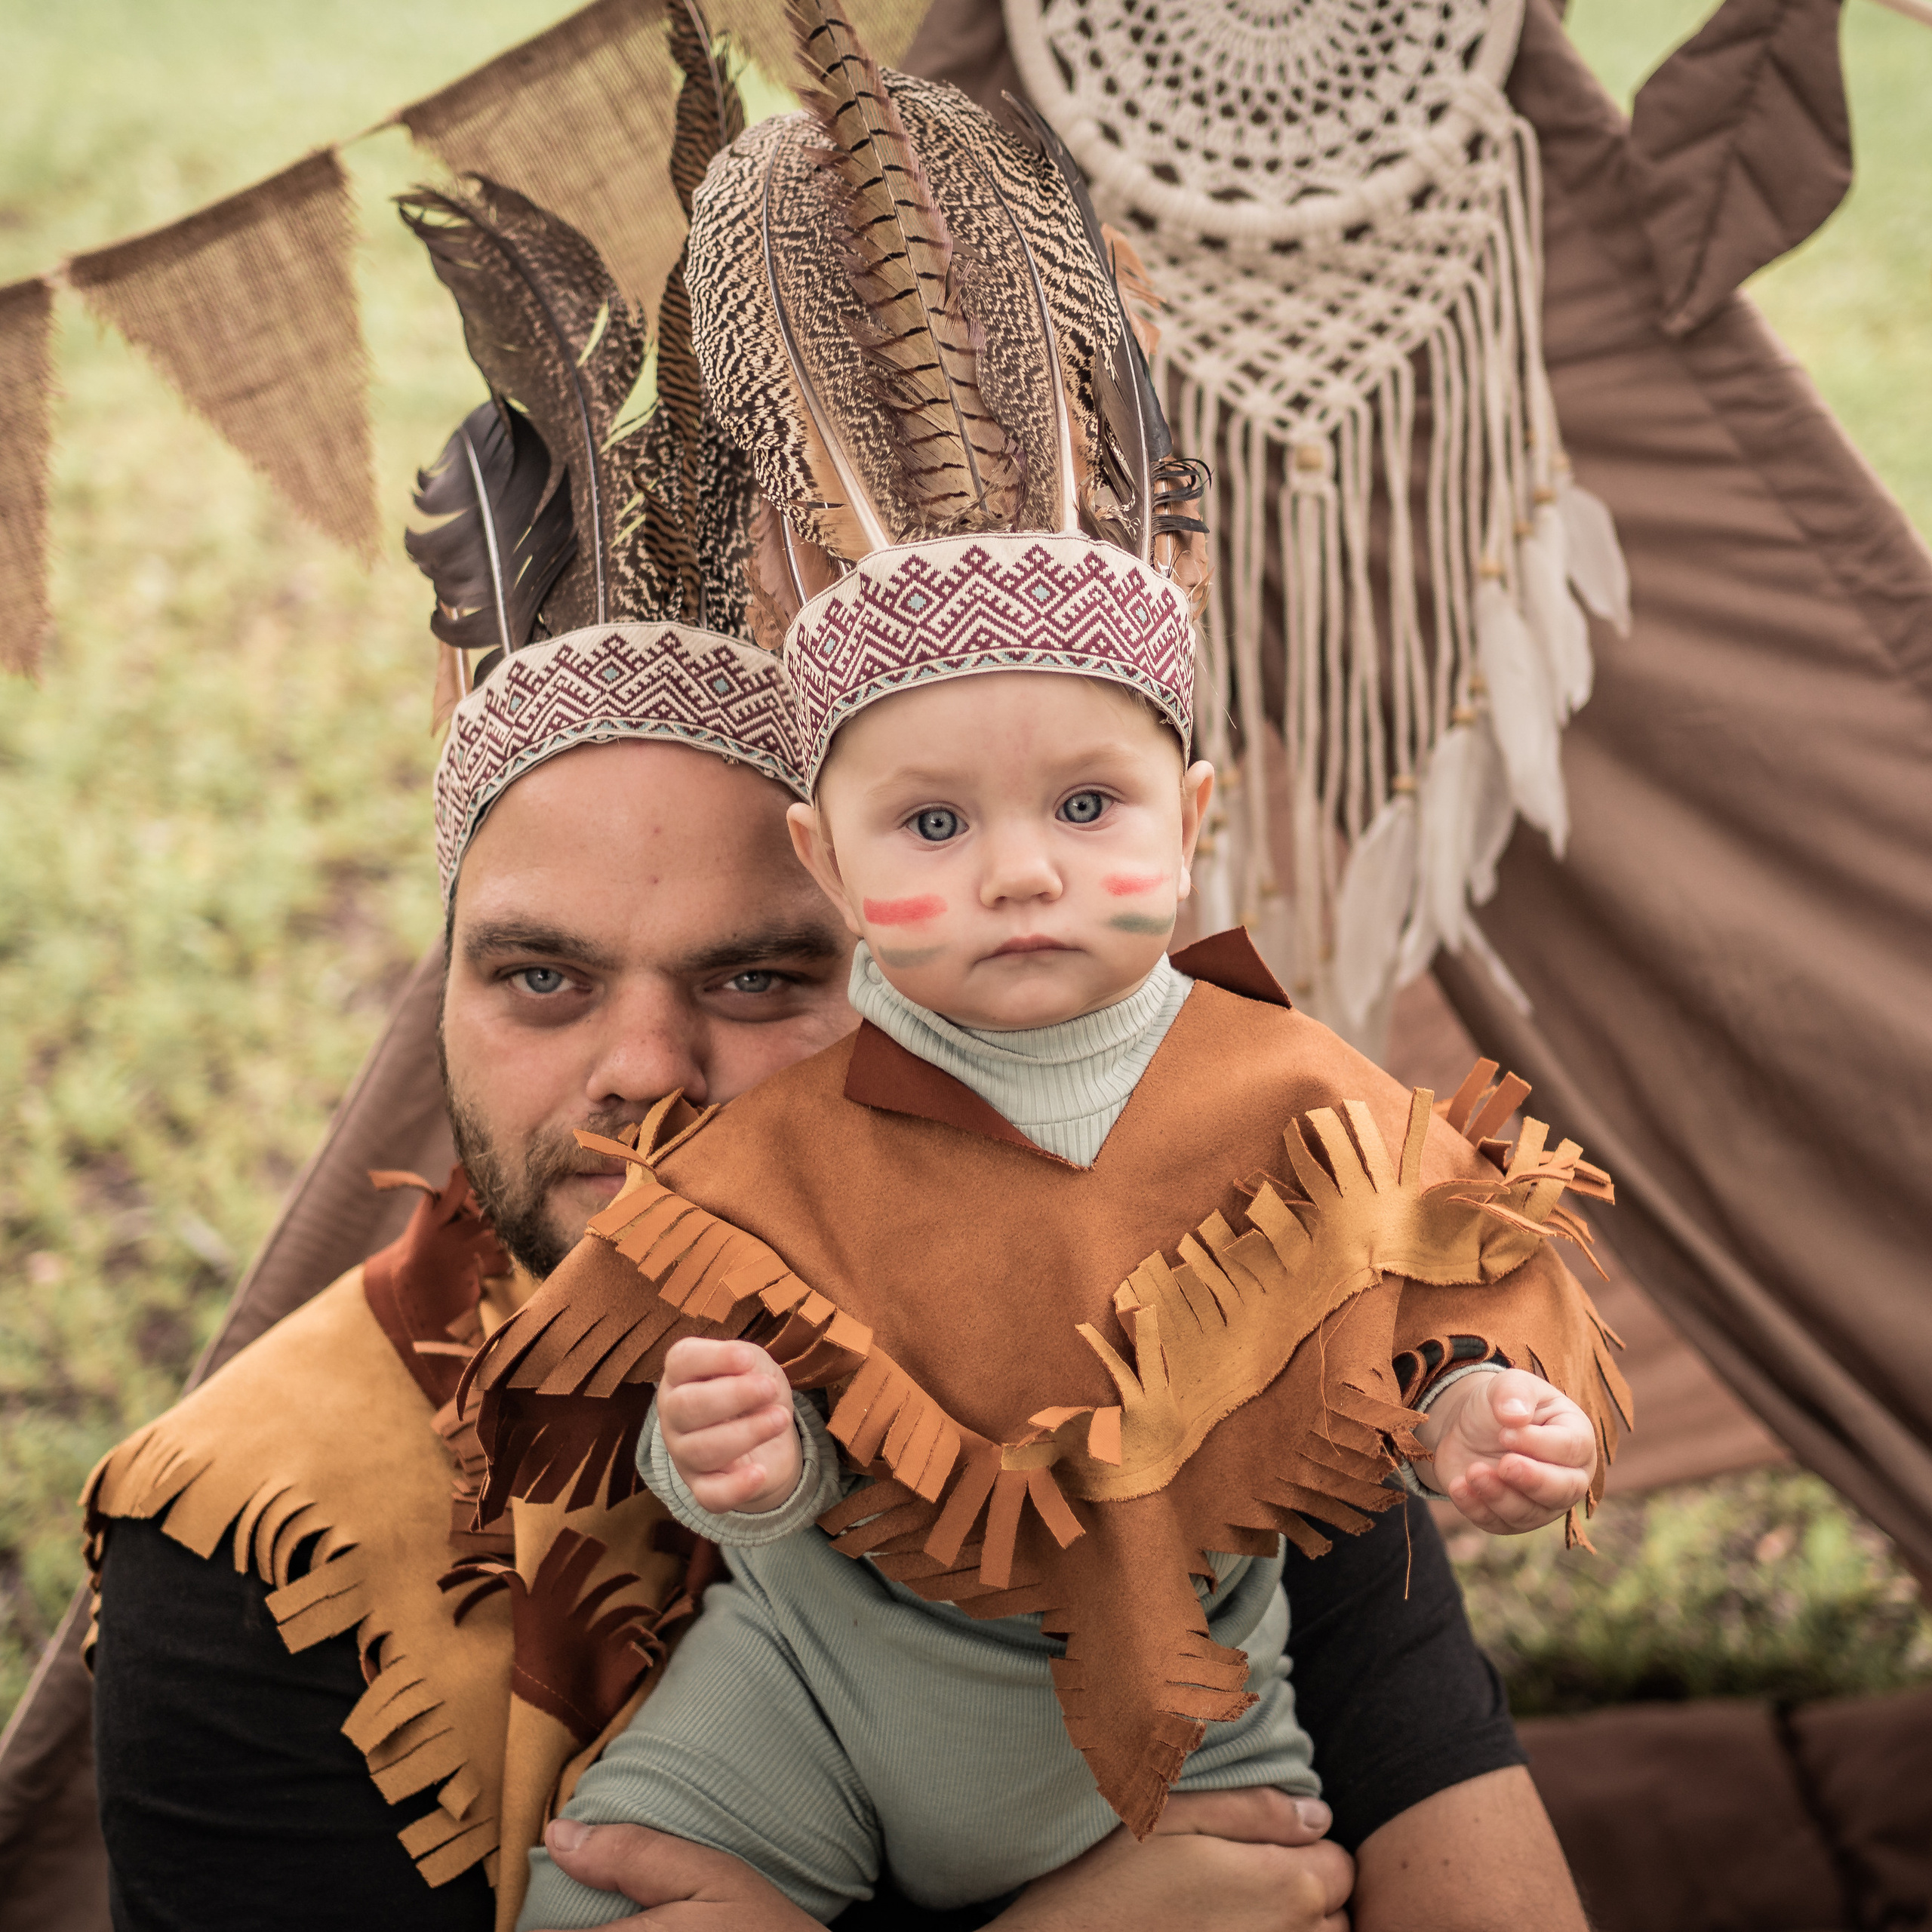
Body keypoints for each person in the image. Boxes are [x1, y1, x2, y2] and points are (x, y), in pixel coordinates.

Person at [82, 14, 1583, 1932]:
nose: (639, 1070)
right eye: (539, 977)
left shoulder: (1188, 1297)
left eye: (757, 979)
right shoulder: (257, 1531)